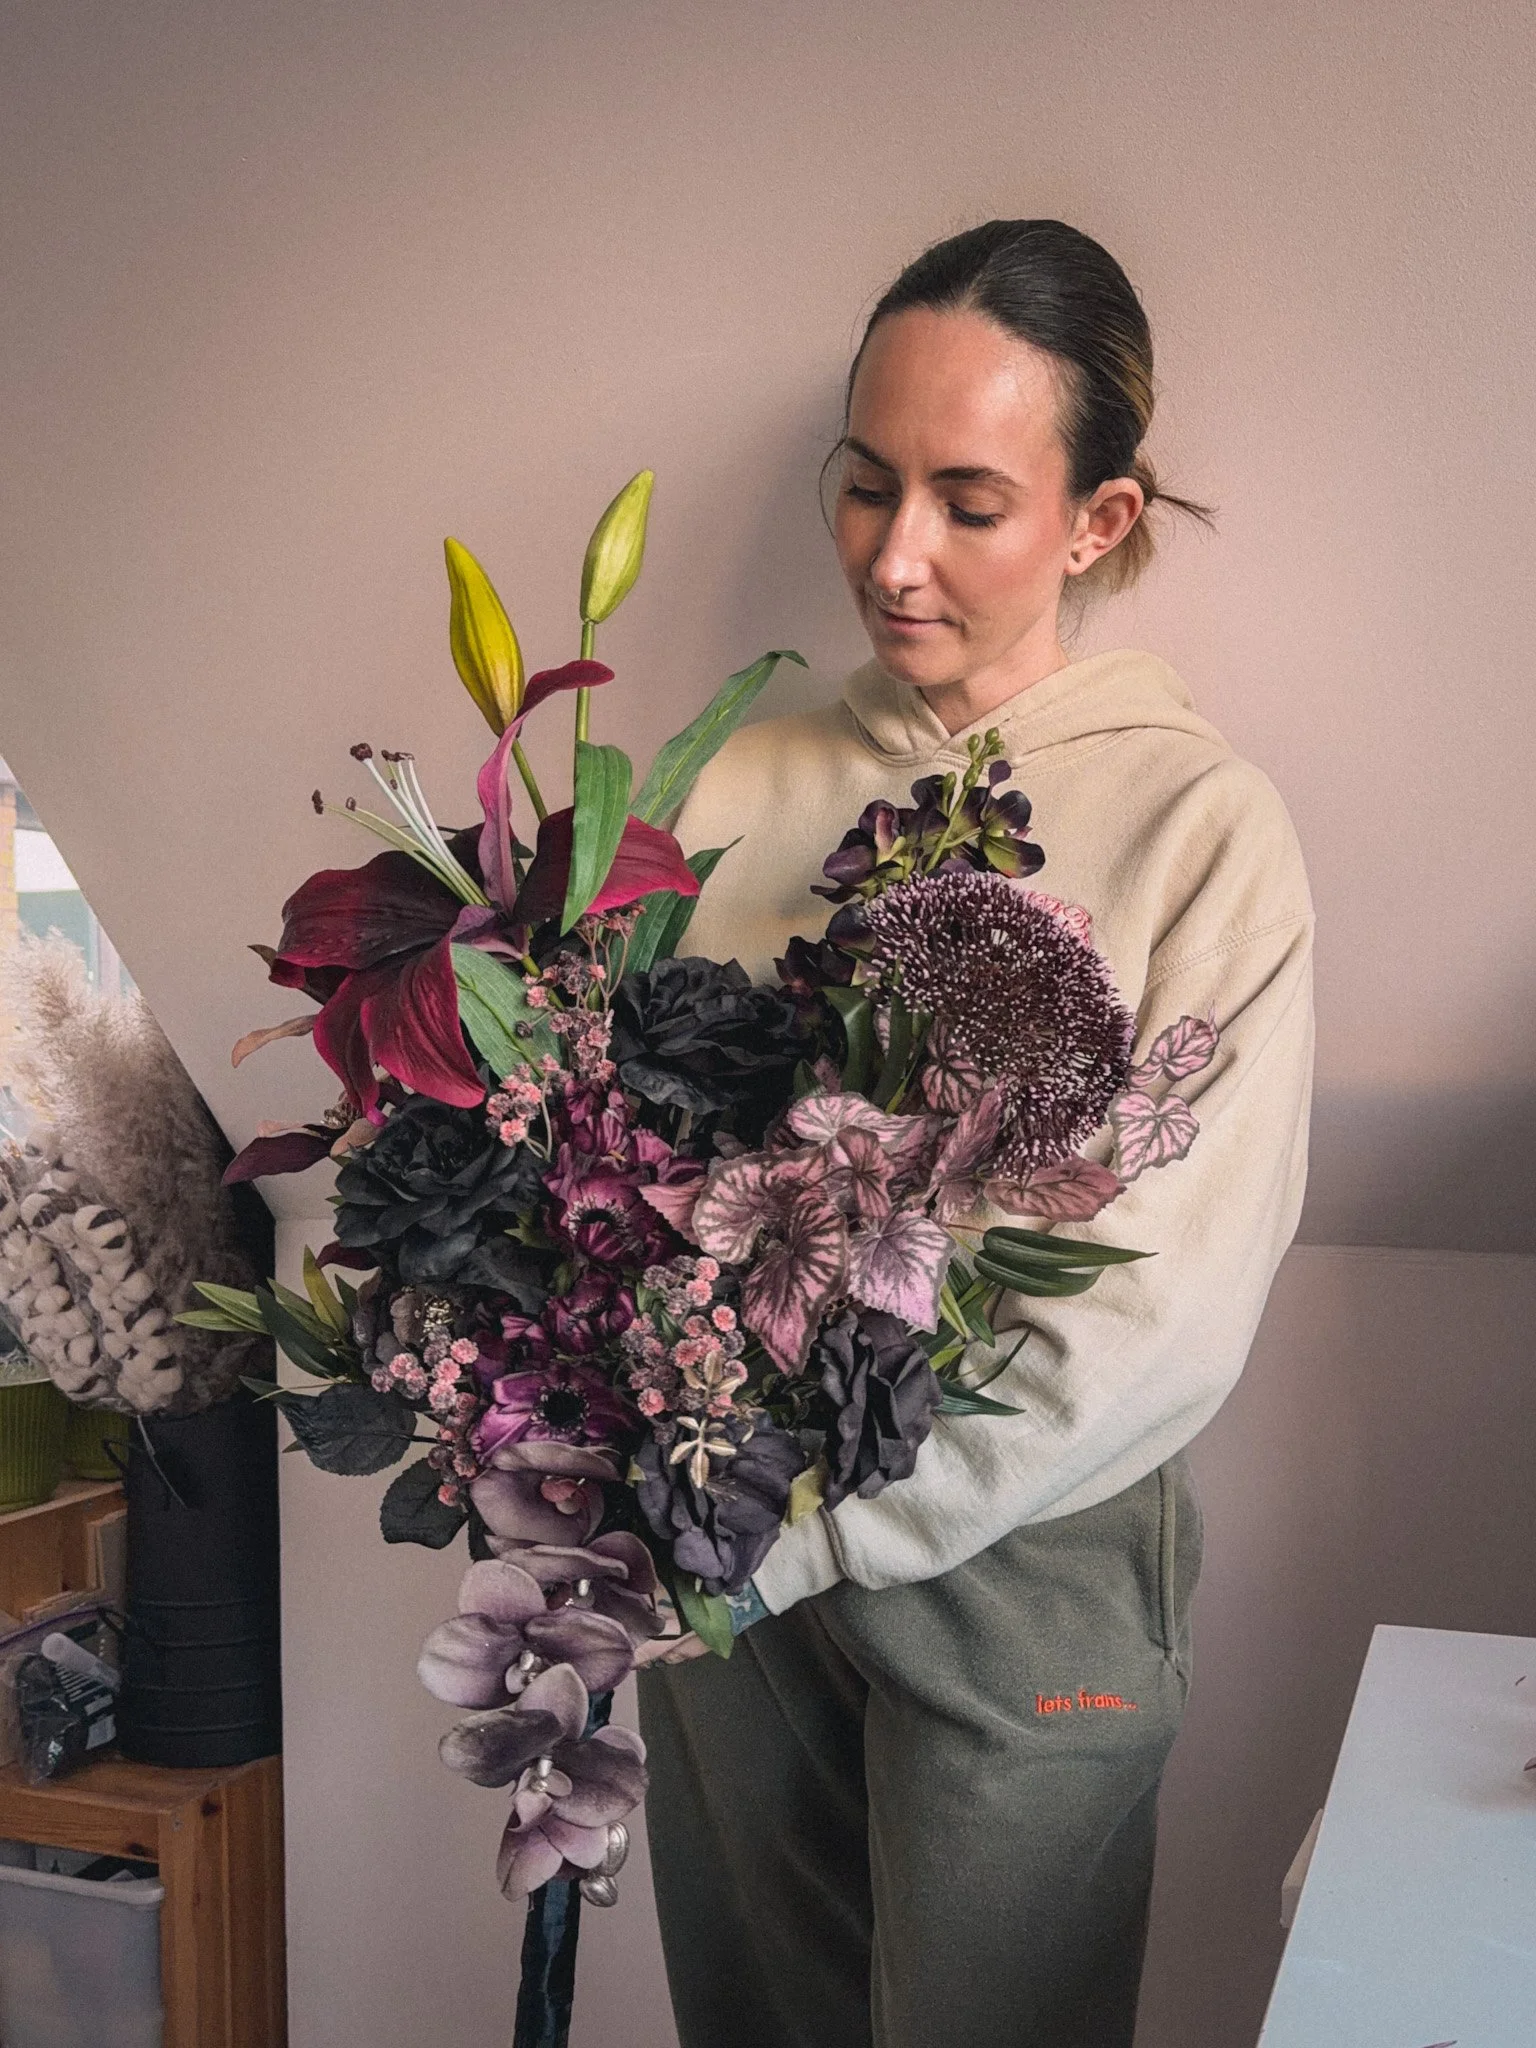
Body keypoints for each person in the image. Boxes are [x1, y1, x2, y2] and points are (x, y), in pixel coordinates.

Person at [634, 218, 1314, 2048]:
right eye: (866, 488)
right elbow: (618, 1169)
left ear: (1099, 522)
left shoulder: (1200, 828)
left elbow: (1157, 1311)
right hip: (733, 1550)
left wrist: (826, 1528)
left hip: (1029, 1559)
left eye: (968, 501)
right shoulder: (739, 783)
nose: (896, 557)